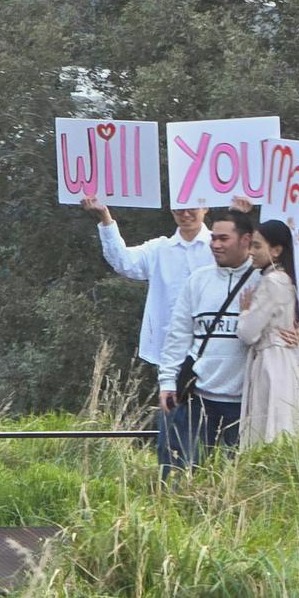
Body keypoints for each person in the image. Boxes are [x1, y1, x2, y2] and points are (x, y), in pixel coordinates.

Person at [81, 194, 213, 475]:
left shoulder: (219, 246)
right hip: (172, 356)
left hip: (217, 354)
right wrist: (105, 217)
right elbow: (124, 261)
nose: (185, 213)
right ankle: (174, 490)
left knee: (214, 431)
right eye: (179, 206)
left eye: (192, 206)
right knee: (174, 430)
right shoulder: (160, 249)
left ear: (206, 206)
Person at [157, 207, 263, 465]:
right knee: (181, 473)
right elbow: (179, 334)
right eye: (213, 238)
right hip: (199, 397)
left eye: (223, 239)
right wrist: (168, 381)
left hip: (245, 402)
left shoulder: (265, 281)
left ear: (246, 240)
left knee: (236, 478)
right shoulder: (198, 281)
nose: (215, 245)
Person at [235, 219, 299, 449]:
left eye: (257, 246)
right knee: (281, 422)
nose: (251, 252)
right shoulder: (287, 280)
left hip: (271, 361)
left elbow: (248, 332)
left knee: (269, 424)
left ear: (276, 250)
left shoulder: (273, 281)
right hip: (282, 359)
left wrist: (245, 312)